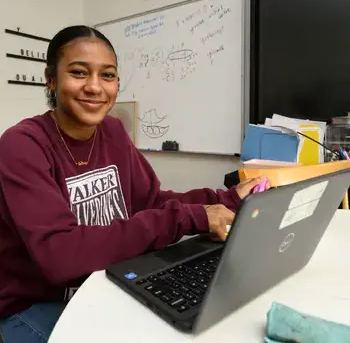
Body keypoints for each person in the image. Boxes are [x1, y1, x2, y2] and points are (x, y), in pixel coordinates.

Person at [0, 25, 265, 343]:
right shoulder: (21, 145)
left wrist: (224, 200)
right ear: (52, 79)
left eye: (107, 75)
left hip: (103, 282)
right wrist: (192, 217)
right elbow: (61, 255)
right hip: (35, 304)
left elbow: (151, 201)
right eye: (79, 72)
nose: (95, 87)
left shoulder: (112, 132)